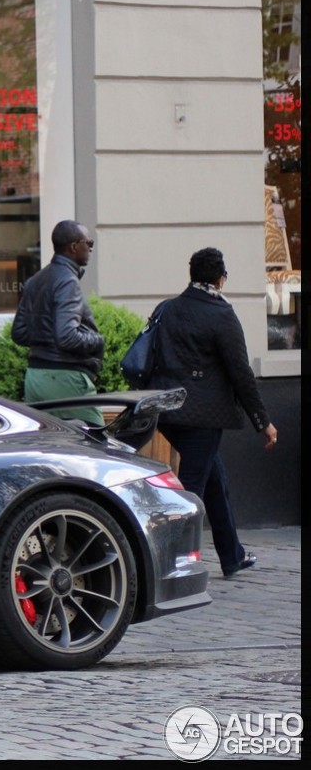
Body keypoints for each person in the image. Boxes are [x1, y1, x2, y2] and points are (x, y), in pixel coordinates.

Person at [147, 247, 278, 578]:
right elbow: (241, 374)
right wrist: (263, 422)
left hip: (169, 413)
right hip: (202, 418)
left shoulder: (168, 309)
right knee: (191, 490)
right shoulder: (221, 314)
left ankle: (231, 554)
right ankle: (168, 562)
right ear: (221, 278)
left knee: (214, 479)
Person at [11, 220, 105, 425]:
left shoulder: (36, 280)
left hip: (35, 377)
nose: (90, 248)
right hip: (65, 377)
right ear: (73, 246)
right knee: (98, 444)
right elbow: (67, 337)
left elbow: (19, 333)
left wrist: (44, 340)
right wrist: (97, 340)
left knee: (52, 448)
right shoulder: (67, 281)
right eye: (88, 243)